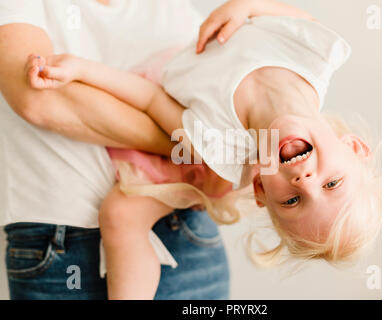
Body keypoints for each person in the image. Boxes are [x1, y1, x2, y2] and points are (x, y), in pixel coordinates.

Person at [26, 0, 382, 300]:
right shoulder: (320, 55)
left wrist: (82, 70)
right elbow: (287, 15)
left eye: (294, 200)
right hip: (178, 69)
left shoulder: (218, 144)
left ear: (262, 192)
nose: (304, 180)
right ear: (355, 147)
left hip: (182, 140)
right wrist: (247, 6)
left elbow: (152, 100)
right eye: (332, 183)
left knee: (120, 215)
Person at [0, 0, 229, 300]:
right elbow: (40, 98)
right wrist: (191, 147)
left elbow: (217, 111)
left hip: (186, 228)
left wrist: (204, 147)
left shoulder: (171, 8)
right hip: (64, 241)